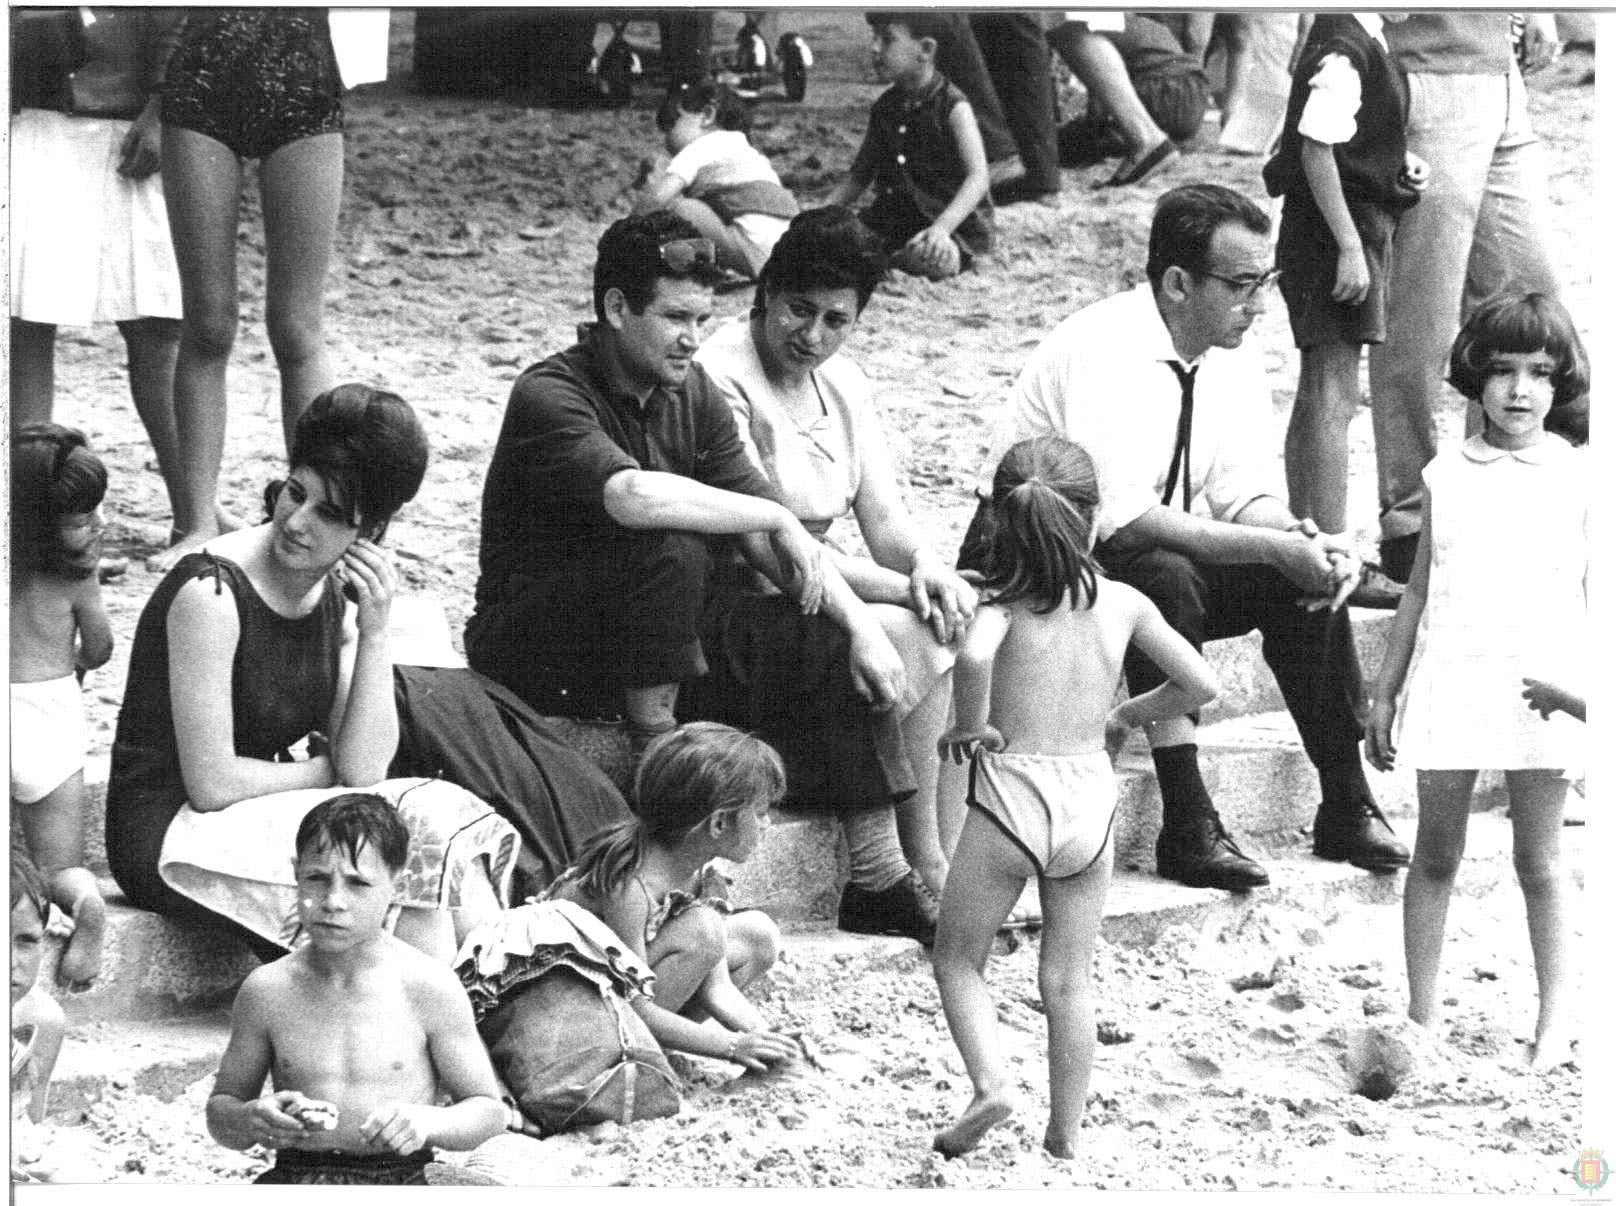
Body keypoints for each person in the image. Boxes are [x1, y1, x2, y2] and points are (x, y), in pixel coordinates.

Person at [965, 183, 1409, 893]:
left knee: (1299, 578)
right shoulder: (1103, 346)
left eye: (1263, 282)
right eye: (1240, 285)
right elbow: (1121, 519)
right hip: (1036, 552)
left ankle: (1346, 796)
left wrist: (1303, 539)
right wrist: (1269, 547)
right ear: (1177, 283)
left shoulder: (1229, 351)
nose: (1257, 305)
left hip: (1144, 550)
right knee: (1161, 571)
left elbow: (1240, 491)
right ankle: (1188, 818)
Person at [106, 385, 518, 965]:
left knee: (425, 831)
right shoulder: (213, 592)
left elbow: (366, 765)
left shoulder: (330, 589)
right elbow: (212, 783)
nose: (296, 522)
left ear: (370, 532)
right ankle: (457, 1023)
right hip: (170, 831)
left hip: (256, 810)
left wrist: (374, 632)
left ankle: (495, 999)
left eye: (328, 513)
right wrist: (325, 774)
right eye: (293, 493)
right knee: (390, 870)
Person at [691, 205, 978, 932]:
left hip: (824, 582)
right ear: (765, 292)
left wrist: (924, 566)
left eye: (835, 320)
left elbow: (884, 525)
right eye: (798, 310)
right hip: (744, 595)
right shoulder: (720, 377)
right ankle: (890, 867)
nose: (812, 336)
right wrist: (901, 591)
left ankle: (930, 857)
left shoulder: (842, 382)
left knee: (935, 625)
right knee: (896, 631)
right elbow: (769, 554)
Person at [932, 437, 1219, 1159]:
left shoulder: (1001, 608)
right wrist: (1127, 715)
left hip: (1009, 799)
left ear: (1000, 521)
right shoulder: (1122, 604)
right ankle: (1066, 1135)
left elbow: (970, 657)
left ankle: (993, 1083)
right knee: (1069, 980)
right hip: (1088, 800)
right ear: (1089, 520)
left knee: (960, 961)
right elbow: (1200, 686)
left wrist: (970, 727)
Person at [1366, 293, 1588, 1072]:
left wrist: (1586, 691)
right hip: (1454, 678)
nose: (1519, 391)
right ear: (1475, 378)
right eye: (1501, 372)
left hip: (1543, 688)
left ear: (1561, 383)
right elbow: (1421, 591)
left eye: (1538, 373)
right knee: (1435, 853)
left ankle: (1554, 1019)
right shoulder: (1446, 473)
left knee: (1540, 861)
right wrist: (1386, 691)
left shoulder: (1579, 476)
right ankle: (1423, 1013)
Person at [206, 794, 508, 1185]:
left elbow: (487, 1111)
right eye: (317, 878)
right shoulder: (268, 990)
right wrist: (251, 1119)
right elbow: (221, 1111)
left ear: (396, 886)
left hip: (400, 1175)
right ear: (296, 874)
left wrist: (426, 1121)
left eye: (357, 883)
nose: (333, 902)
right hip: (297, 1174)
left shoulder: (427, 986)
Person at [152, 9, 361, 572]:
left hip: (304, 78)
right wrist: (150, 100)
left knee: (297, 329)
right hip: (201, 79)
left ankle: (319, 515)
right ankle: (195, 522)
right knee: (208, 323)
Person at [1367, 13, 1564, 585]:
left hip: (1500, 71)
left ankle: (1493, 486)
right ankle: (1408, 516)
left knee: (1531, 297)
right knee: (1420, 316)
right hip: (1429, 71)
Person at [9, 7, 185, 579]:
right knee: (27, 319)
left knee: (158, 325)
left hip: (132, 125)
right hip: (36, 118)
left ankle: (193, 510)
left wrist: (163, 109)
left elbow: (178, 19)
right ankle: (34, 516)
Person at [1263, 13, 1426, 605]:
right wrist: (1351, 247)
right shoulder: (1346, 51)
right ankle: (1333, 554)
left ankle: (1301, 538)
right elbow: (1314, 148)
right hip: (1333, 239)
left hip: (1326, 234)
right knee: (1334, 397)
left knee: (1317, 394)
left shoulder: (1356, 36)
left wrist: (1392, 164)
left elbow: (1345, 140)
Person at [527, 723, 801, 1070]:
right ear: (718, 824)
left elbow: (718, 988)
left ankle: (662, 1044)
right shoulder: (632, 888)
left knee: (756, 935)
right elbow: (635, 1005)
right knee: (703, 930)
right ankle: (640, 1053)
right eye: (760, 814)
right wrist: (731, 1046)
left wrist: (771, 1042)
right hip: (565, 1023)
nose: (768, 825)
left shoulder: (694, 871)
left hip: (621, 999)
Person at [10, 424, 114, 987]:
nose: (99, 524)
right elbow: (99, 648)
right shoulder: (77, 577)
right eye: (82, 519)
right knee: (59, 865)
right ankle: (83, 904)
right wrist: (76, 661)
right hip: (50, 715)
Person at [829, 13, 992, 280]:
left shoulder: (953, 107)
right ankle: (889, 260)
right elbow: (859, 176)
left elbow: (978, 177)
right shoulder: (884, 108)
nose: (875, 48)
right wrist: (821, 213)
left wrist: (942, 228)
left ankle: (894, 261)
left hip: (945, 223)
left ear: (925, 50)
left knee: (935, 258)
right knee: (833, 241)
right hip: (892, 219)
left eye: (887, 40)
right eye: (874, 38)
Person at [634, 79, 798, 279]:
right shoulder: (742, 149)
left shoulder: (702, 146)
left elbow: (658, 198)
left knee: (681, 208)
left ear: (707, 115)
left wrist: (627, 231)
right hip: (785, 252)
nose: (666, 139)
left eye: (672, 125)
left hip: (754, 250)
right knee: (704, 205)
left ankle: (694, 270)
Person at [1047, 14, 1185, 189]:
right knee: (1069, 21)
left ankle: (1145, 136)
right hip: (1175, 91)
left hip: (1164, 91)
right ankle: (1144, 136)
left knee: (1066, 23)